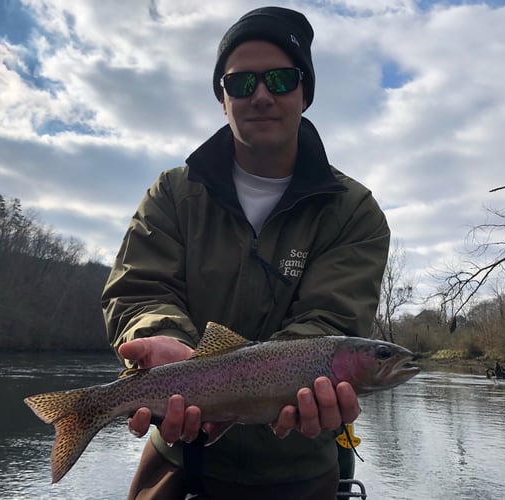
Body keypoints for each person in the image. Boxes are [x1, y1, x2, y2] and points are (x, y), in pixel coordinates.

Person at [102, 6, 389, 500]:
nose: (260, 95)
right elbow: (140, 290)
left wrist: (282, 381)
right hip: (177, 455)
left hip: (298, 470)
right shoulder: (173, 193)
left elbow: (327, 324)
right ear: (221, 98)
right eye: (241, 83)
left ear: (305, 93)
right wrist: (162, 340)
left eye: (280, 79)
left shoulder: (353, 211)